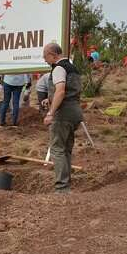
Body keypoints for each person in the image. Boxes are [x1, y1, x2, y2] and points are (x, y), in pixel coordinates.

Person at [42, 43, 84, 194]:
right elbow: (70, 91)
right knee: (66, 149)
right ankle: (66, 186)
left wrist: (50, 112)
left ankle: (62, 188)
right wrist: (50, 99)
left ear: (53, 54)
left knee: (57, 149)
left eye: (45, 57)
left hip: (63, 113)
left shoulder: (59, 68)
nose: (45, 60)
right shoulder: (73, 68)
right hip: (75, 112)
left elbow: (60, 91)